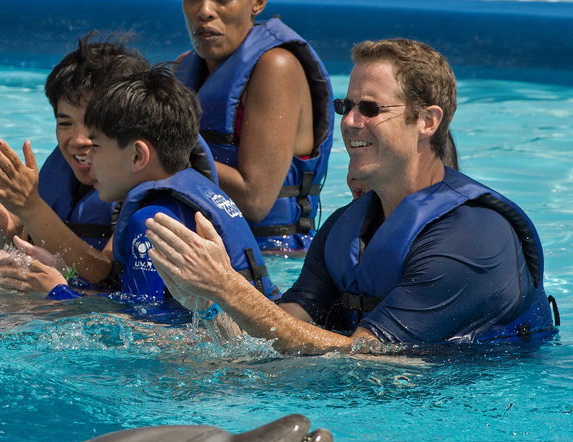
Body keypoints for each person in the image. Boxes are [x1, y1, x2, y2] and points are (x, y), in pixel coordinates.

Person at [146, 39, 556, 352]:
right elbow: (278, 330)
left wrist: (228, 288)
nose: (351, 122)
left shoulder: (471, 239)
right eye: (347, 106)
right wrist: (208, 303)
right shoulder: (346, 227)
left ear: (427, 121)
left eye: (372, 109)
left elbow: (366, 359)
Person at [0, 67, 276, 313]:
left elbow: (141, 329)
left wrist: (58, 292)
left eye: (97, 147)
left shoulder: (153, 221)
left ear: (137, 156)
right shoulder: (185, 198)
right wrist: (64, 273)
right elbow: (144, 301)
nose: (87, 158)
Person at [0, 34, 216, 286]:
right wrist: (11, 235)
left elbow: (106, 276)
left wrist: (32, 208)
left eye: (93, 126)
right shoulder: (59, 172)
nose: (78, 140)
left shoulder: (143, 181)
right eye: (65, 123)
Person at [173, 0, 333, 252]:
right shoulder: (183, 67)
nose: (204, 11)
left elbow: (255, 201)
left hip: (273, 257)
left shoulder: (277, 67)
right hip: (206, 248)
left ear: (257, 3)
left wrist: (164, 155)